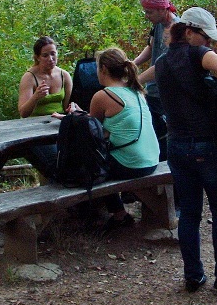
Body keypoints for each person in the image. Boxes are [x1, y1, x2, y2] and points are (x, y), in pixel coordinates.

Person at [154, 7, 217, 294]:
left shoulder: (162, 61)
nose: (211, 45)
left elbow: (141, 77)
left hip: (177, 147)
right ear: (191, 32)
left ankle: (193, 277)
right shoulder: (199, 55)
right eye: (207, 38)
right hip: (208, 146)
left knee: (191, 215)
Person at [67, 48, 160, 231]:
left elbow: (91, 133)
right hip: (152, 159)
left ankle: (117, 214)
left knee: (92, 161)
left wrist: (75, 115)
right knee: (104, 157)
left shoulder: (103, 95)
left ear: (103, 70)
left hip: (131, 164)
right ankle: (114, 212)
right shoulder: (137, 91)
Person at [132, 0, 179, 160]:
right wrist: (133, 63)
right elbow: (151, 47)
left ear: (162, 9)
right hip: (153, 92)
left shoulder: (175, 31)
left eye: (149, 12)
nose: (147, 16)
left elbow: (162, 65)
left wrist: (136, 81)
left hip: (165, 94)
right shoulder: (158, 25)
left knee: (162, 137)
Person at [18, 36, 73, 180]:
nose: (50, 58)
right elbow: (23, 112)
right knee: (55, 164)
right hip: (34, 129)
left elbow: (66, 107)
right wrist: (36, 97)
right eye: (45, 55)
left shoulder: (64, 75)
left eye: (53, 53)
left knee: (75, 158)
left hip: (57, 126)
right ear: (37, 57)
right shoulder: (29, 77)